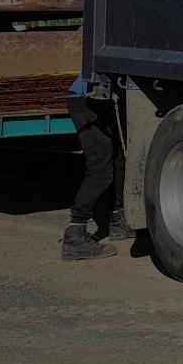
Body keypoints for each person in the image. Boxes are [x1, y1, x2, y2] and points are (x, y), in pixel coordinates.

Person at [61, 76, 125, 260]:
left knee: (119, 158)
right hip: (86, 99)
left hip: (102, 100)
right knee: (100, 167)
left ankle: (118, 219)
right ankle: (75, 234)